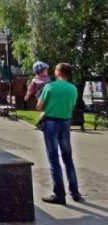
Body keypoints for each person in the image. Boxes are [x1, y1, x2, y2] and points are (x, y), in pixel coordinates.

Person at [37, 62, 82, 204]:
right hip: (65, 123)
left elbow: (39, 106)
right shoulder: (73, 89)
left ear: (58, 72)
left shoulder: (50, 86)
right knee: (68, 158)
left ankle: (59, 195)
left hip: (50, 123)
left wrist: (45, 106)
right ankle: (75, 193)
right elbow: (70, 106)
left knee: (54, 159)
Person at [25, 61, 51, 128]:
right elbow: (30, 89)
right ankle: (40, 122)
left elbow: (30, 89)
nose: (47, 71)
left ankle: (41, 122)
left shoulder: (39, 79)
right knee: (47, 110)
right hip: (42, 97)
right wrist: (27, 95)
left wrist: (27, 95)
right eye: (46, 70)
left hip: (42, 97)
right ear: (41, 71)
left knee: (47, 110)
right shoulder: (38, 80)